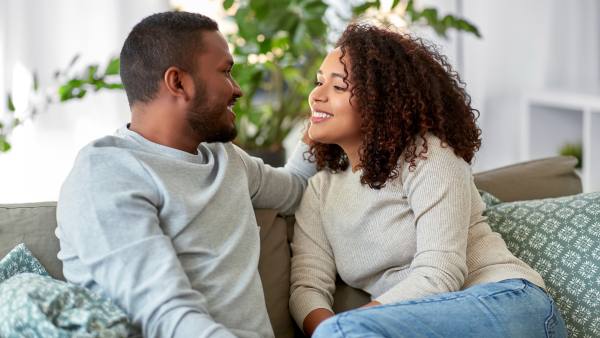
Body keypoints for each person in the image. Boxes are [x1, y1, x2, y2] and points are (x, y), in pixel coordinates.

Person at [289, 23, 567, 338]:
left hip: (509, 304)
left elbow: (440, 274)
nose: (316, 96)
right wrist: (334, 331)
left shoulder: (427, 155)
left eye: (338, 87)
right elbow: (307, 286)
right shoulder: (320, 190)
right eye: (318, 83)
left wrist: (346, 329)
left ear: (380, 101)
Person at [56, 11, 315, 338]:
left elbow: (295, 189)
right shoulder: (106, 173)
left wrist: (317, 127)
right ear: (178, 82)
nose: (238, 90)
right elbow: (167, 316)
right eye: (226, 72)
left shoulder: (226, 159)